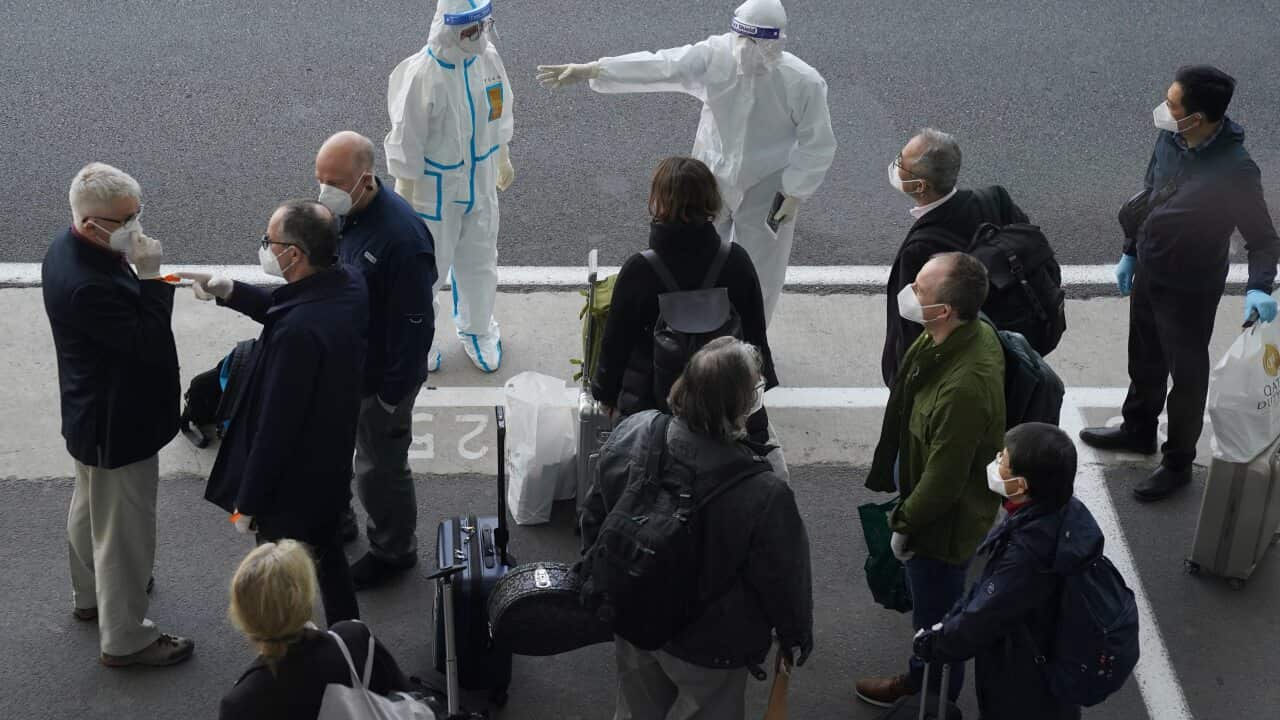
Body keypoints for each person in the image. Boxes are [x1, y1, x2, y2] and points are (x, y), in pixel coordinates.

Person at [537, 0, 836, 325]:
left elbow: (817, 142)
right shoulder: (715, 56)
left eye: (758, 43)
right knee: (696, 259)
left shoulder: (803, 82)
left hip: (768, 186)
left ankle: (751, 345)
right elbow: (662, 65)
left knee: (761, 273)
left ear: (777, 42)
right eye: (743, 40)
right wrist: (596, 69)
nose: (747, 50)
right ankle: (694, 333)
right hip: (710, 180)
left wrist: (794, 191)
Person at [581, 337, 813, 719]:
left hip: (634, 611)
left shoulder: (636, 431)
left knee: (636, 708)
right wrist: (795, 635)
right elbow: (784, 577)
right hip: (711, 644)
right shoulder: (765, 491)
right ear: (739, 405)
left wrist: (603, 580)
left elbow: (595, 513)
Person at [1080, 65, 1280, 502]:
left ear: (1199, 118)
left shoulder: (1235, 171)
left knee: (1187, 377)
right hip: (1151, 267)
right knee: (1144, 354)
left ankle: (1177, 463)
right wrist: (1131, 250)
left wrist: (1259, 287)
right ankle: (1138, 429)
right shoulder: (1170, 138)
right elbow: (1150, 190)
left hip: (1191, 288)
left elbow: (1263, 240)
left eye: (1173, 105)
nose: (1163, 109)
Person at [186, 200, 369, 626]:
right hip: (331, 462)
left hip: (291, 488)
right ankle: (351, 638)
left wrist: (246, 504)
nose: (266, 247)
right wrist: (229, 289)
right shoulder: (348, 284)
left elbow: (276, 427)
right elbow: (289, 304)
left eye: (270, 241)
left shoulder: (296, 336)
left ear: (294, 254)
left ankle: (291, 655)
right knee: (329, 557)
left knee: (280, 581)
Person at [42, 162, 194, 668]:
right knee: (126, 533)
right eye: (125, 219)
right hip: (119, 423)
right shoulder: (90, 286)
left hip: (89, 417)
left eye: (137, 213)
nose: (137, 227)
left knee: (89, 509)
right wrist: (153, 279)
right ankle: (127, 638)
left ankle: (89, 595)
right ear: (91, 225)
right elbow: (147, 343)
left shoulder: (63, 252)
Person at [857, 252, 1006, 708]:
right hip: (927, 499)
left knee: (937, 623)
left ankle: (932, 697)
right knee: (935, 615)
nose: (909, 292)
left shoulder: (965, 387)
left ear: (943, 311)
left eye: (919, 288)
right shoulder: (953, 334)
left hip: (939, 532)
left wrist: (904, 526)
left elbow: (942, 484)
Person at [591, 156, 787, 480]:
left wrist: (606, 398)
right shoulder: (736, 262)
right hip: (725, 407)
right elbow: (756, 343)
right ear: (711, 200)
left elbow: (614, 350)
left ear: (658, 203)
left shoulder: (639, 270)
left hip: (651, 410)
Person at [314, 131, 437, 590]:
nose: (323, 191)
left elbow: (415, 326)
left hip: (380, 380)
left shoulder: (401, 239)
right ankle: (340, 520)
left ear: (365, 180)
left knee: (379, 468)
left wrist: (390, 397)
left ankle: (393, 549)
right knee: (336, 451)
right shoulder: (346, 213)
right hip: (347, 368)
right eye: (319, 179)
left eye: (334, 181)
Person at [912, 422, 1093, 720]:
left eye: (1003, 461)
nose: (995, 463)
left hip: (1023, 673)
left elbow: (986, 614)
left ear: (1020, 486)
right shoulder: (1065, 512)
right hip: (1054, 662)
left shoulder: (1027, 556)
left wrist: (938, 643)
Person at [384, 0, 515, 373]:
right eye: (470, 30)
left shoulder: (486, 60)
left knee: (480, 259)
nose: (479, 36)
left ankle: (477, 329)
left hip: (481, 178)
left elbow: (500, 106)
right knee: (427, 268)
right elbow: (406, 140)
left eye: (483, 26)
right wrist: (403, 198)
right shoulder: (423, 74)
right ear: (449, 29)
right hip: (432, 189)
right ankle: (414, 338)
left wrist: (501, 155)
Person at [882, 128, 1028, 387]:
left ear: (920, 186)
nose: (896, 165)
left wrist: (900, 379)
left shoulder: (920, 251)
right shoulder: (996, 200)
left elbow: (909, 328)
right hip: (1010, 346)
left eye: (901, 162)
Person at [219, 541, 417, 720]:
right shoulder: (352, 640)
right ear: (305, 597)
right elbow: (403, 695)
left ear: (242, 613)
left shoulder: (239, 702)